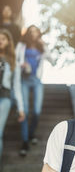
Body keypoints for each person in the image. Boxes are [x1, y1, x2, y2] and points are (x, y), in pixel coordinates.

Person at [15, 25, 53, 156]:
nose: (33, 34)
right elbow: (15, 61)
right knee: (24, 111)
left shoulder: (41, 47)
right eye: (30, 32)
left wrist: (45, 45)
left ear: (38, 34)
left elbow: (51, 60)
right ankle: (25, 141)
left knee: (37, 111)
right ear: (27, 34)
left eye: (35, 32)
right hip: (24, 79)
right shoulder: (21, 45)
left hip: (36, 81)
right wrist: (22, 65)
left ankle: (31, 134)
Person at [0, 29, 24, 166]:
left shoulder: (12, 61)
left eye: (3, 38)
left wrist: (20, 108)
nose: (0, 41)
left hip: (4, 98)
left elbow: (17, 86)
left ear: (8, 42)